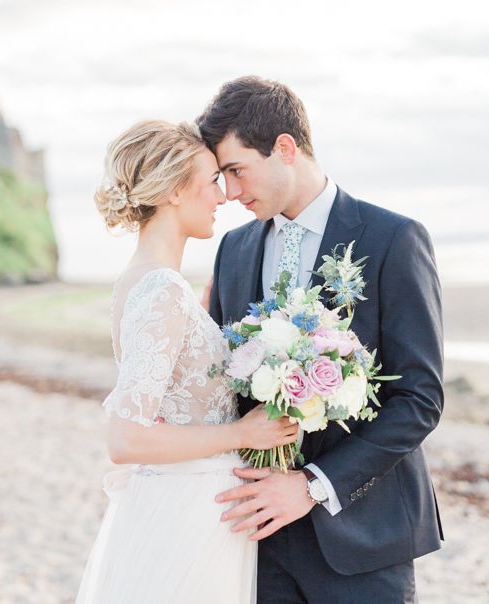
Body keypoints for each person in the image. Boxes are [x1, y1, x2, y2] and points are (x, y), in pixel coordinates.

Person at [197, 76, 444, 603]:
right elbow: (219, 388)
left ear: (284, 148)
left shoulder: (392, 239)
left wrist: (311, 485)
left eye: (237, 170)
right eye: (222, 177)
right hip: (257, 537)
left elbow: (419, 400)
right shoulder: (233, 251)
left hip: (362, 534)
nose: (232, 192)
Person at [74, 119, 299, 604]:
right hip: (190, 514)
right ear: (175, 190)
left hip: (184, 501)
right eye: (212, 182)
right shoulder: (162, 291)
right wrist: (244, 434)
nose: (222, 197)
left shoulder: (144, 283)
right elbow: (126, 437)